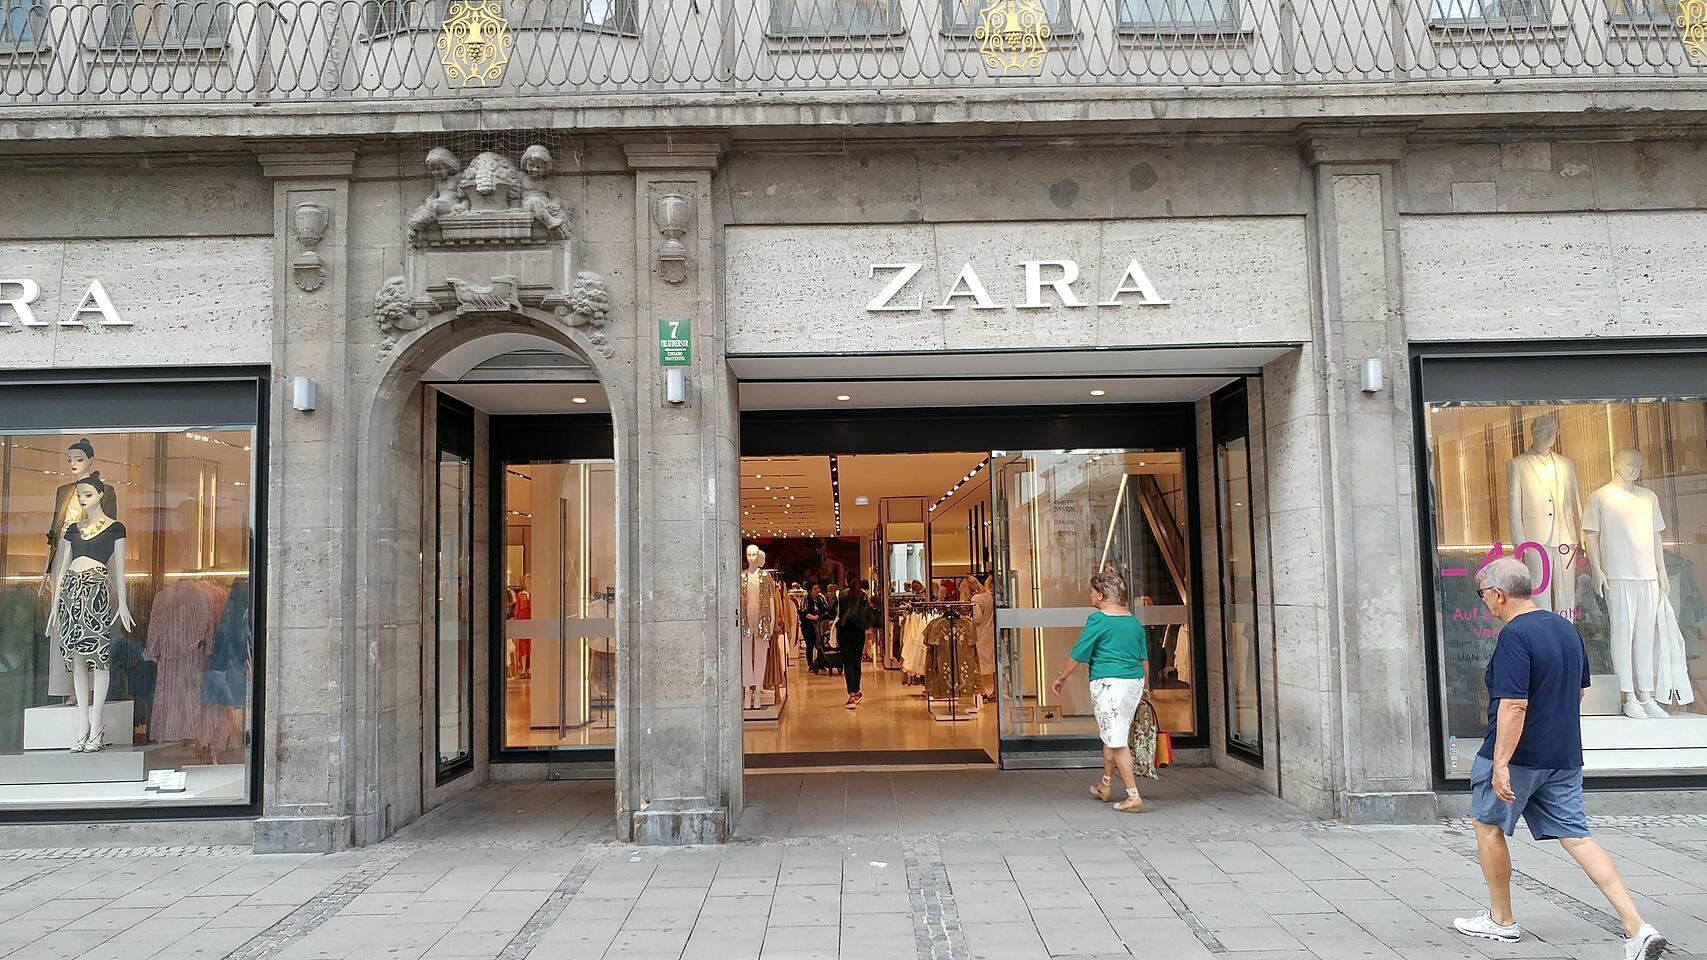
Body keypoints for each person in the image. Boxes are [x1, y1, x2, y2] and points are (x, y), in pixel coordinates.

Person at [1453, 558, 1665, 960]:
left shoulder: (1514, 635)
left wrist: (1500, 764)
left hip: (1520, 755)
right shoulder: (1565, 629)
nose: (1484, 603)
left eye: (1483, 595)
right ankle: (1636, 926)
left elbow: (1514, 704)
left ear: (1498, 594)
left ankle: (1502, 920)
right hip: (1563, 753)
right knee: (1578, 837)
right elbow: (1578, 691)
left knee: (1488, 826)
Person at [1051, 570, 1148, 813]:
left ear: (1102, 595)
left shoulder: (1099, 620)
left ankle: (1132, 795)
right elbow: (1143, 658)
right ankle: (1105, 784)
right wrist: (1145, 686)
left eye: (1093, 591)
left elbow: (1078, 651)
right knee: (1112, 732)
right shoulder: (1133, 621)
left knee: (1117, 740)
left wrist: (1062, 677)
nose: (1090, 595)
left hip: (1109, 684)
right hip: (1133, 682)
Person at [837, 577, 873, 708]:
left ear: (846, 581)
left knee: (848, 663)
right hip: (858, 632)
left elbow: (833, 611)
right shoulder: (863, 596)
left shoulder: (841, 595)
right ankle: (856, 690)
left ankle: (851, 692)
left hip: (843, 630)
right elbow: (867, 613)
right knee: (856, 662)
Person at [969, 573, 997, 699]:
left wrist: (967, 618)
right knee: (993, 664)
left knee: (980, 664)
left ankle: (982, 692)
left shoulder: (975, 599)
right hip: (990, 632)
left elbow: (977, 618)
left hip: (981, 633)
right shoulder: (989, 596)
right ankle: (995, 691)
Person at [802, 582, 831, 673]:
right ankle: (810, 664)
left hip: (819, 625)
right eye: (815, 589)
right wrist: (813, 617)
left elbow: (826, 609)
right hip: (808, 626)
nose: (818, 590)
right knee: (810, 645)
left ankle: (820, 663)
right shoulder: (805, 599)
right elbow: (803, 613)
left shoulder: (821, 598)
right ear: (810, 591)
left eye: (818, 588)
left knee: (820, 644)